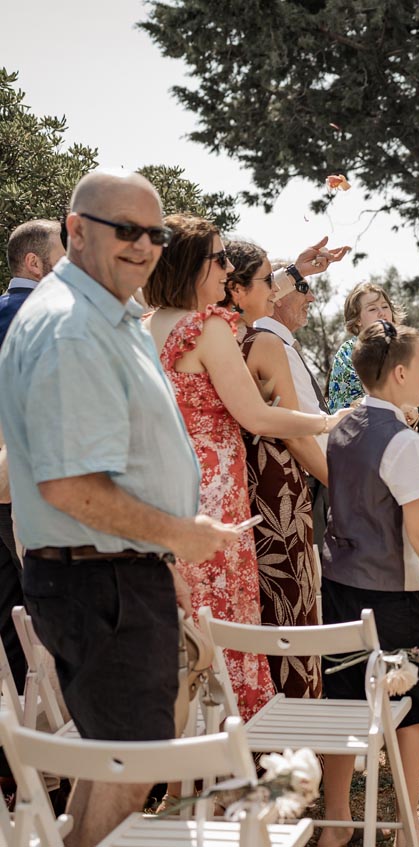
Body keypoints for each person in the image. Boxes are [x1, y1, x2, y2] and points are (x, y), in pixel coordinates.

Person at [0, 171, 239, 845]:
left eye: (154, 233)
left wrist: (160, 557)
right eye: (126, 230)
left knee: (115, 760)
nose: (144, 246)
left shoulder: (103, 312)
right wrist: (178, 535)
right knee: (137, 767)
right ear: (76, 230)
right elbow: (69, 486)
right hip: (98, 580)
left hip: (113, 573)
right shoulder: (73, 328)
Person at [144, 215, 348, 721]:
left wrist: (295, 272)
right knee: (225, 616)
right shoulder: (207, 328)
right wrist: (327, 421)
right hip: (215, 495)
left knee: (186, 618)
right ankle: (235, 743)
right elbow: (255, 415)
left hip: (164, 491)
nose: (226, 268)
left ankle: (183, 750)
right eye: (218, 259)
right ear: (192, 266)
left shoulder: (145, 326)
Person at [319, 320, 419, 847]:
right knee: (411, 710)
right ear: (401, 373)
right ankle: (409, 829)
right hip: (392, 598)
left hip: (339, 589)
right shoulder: (404, 441)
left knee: (345, 701)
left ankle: (337, 822)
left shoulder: (341, 428)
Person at [224, 240, 334, 699]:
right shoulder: (262, 343)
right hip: (275, 491)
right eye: (268, 280)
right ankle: (297, 718)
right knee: (289, 602)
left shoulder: (205, 339)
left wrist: (297, 270)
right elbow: (292, 432)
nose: (275, 290)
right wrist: (341, 484)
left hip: (228, 488)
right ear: (235, 288)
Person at [0, 219, 65, 690]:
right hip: (30, 486)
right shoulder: (46, 316)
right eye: (62, 257)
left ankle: (21, 724)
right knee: (48, 611)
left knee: (8, 613)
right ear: (34, 262)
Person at [253, 242, 347, 548]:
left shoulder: (270, 341)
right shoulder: (274, 346)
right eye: (303, 287)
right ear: (276, 295)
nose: (312, 297)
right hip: (297, 486)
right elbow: (301, 430)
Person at [328, 282, 401, 412]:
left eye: (385, 307)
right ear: (357, 320)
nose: (382, 313)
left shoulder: (397, 350)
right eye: (372, 309)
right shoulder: (349, 351)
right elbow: (357, 403)